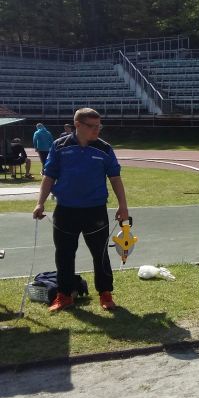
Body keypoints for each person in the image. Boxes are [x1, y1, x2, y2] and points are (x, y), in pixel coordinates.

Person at [32, 108, 129, 312]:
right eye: (92, 126)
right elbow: (49, 176)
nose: (96, 130)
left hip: (95, 210)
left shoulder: (104, 148)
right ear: (77, 125)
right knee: (64, 254)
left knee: (100, 253)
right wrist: (40, 203)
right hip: (66, 210)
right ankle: (64, 295)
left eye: (99, 126)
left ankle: (105, 293)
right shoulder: (59, 146)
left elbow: (115, 178)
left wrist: (123, 206)